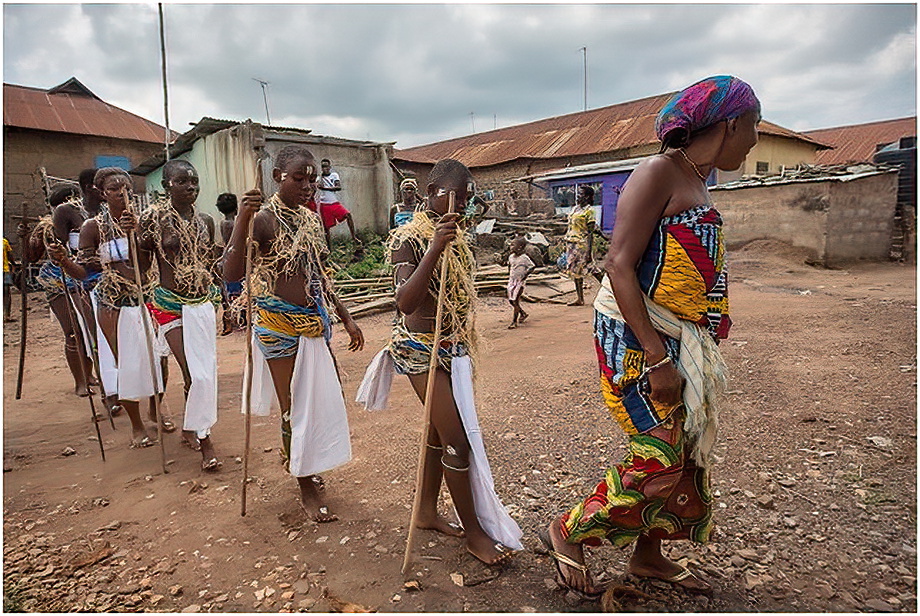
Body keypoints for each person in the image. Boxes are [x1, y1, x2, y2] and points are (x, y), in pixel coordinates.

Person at [542, 75, 761, 599]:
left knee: (684, 449)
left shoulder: (698, 179)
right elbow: (618, 264)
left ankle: (648, 556)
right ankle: (568, 530)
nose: (756, 140)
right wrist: (658, 357)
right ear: (731, 124)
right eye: (755, 126)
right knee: (659, 455)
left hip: (676, 334)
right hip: (636, 338)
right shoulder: (658, 172)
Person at [356, 158, 523, 565]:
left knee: (436, 430)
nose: (462, 206)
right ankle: (474, 533)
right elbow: (404, 301)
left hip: (453, 350)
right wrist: (434, 248)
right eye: (456, 197)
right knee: (457, 441)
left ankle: (426, 512)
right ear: (431, 193)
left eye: (467, 199)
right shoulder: (408, 238)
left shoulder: (459, 237)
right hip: (418, 351)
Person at [224, 145, 365, 522]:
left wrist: (346, 316)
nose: (307, 186)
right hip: (278, 326)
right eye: (298, 179)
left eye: (312, 180)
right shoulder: (263, 220)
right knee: (293, 408)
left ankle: (307, 460)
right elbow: (231, 274)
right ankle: (303, 482)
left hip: (313, 323)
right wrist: (243, 218)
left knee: (319, 400)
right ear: (277, 177)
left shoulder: (311, 220)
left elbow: (319, 274)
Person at [55, 167, 162, 448]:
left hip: (143, 297)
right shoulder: (93, 227)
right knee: (125, 362)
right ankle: (137, 426)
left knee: (157, 358)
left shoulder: (142, 223)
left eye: (126, 188)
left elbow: (146, 265)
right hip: (111, 301)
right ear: (103, 194)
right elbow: (84, 272)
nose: (122, 193)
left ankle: (156, 409)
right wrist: (64, 261)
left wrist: (133, 234)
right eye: (114, 189)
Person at [136, 159, 222, 471]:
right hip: (169, 305)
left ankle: (191, 427)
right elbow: (141, 263)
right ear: (166, 186)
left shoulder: (205, 221)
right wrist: (136, 241)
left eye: (194, 182)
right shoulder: (153, 220)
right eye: (182, 182)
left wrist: (224, 300)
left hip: (201, 305)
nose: (190, 187)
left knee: (201, 373)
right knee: (196, 374)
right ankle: (205, 441)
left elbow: (210, 265)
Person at [23, 183, 96, 396]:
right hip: (59, 283)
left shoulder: (88, 221)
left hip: (85, 280)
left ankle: (89, 375)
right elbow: (31, 257)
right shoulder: (45, 228)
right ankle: (80, 382)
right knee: (73, 331)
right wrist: (26, 239)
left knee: (89, 329)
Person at [558, 184, 596, 306]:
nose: (578, 196)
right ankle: (580, 299)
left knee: (591, 268)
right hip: (571, 243)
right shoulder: (575, 209)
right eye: (578, 194)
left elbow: (590, 233)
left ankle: (611, 291)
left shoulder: (589, 211)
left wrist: (589, 252)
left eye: (581, 194)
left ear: (588, 197)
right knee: (575, 271)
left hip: (581, 245)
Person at [315, 158, 362, 251]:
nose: (325, 168)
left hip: (334, 203)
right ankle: (329, 249)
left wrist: (325, 188)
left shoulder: (334, 175)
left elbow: (338, 187)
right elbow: (316, 186)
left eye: (326, 166)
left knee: (348, 215)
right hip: (324, 204)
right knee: (326, 228)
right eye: (323, 167)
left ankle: (354, 238)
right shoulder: (319, 178)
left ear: (329, 167)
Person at [215, 192, 241, 335]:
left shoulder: (223, 223)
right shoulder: (234, 224)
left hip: (225, 257)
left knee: (226, 292)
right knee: (239, 289)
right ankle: (236, 319)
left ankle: (229, 320)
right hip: (235, 258)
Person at [506, 236, 535, 329]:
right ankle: (523, 313)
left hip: (520, 282)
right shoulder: (511, 257)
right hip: (511, 281)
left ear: (520, 247)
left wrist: (525, 275)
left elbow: (532, 266)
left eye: (513, 245)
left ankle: (514, 321)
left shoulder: (524, 258)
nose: (511, 247)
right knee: (511, 300)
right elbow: (509, 266)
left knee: (515, 300)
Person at [3, 236, 15, 322]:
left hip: (5, 270)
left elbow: (10, 255)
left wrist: (13, 264)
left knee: (6, 292)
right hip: (5, 270)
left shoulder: (4, 242)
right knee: (6, 293)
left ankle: (7, 315)